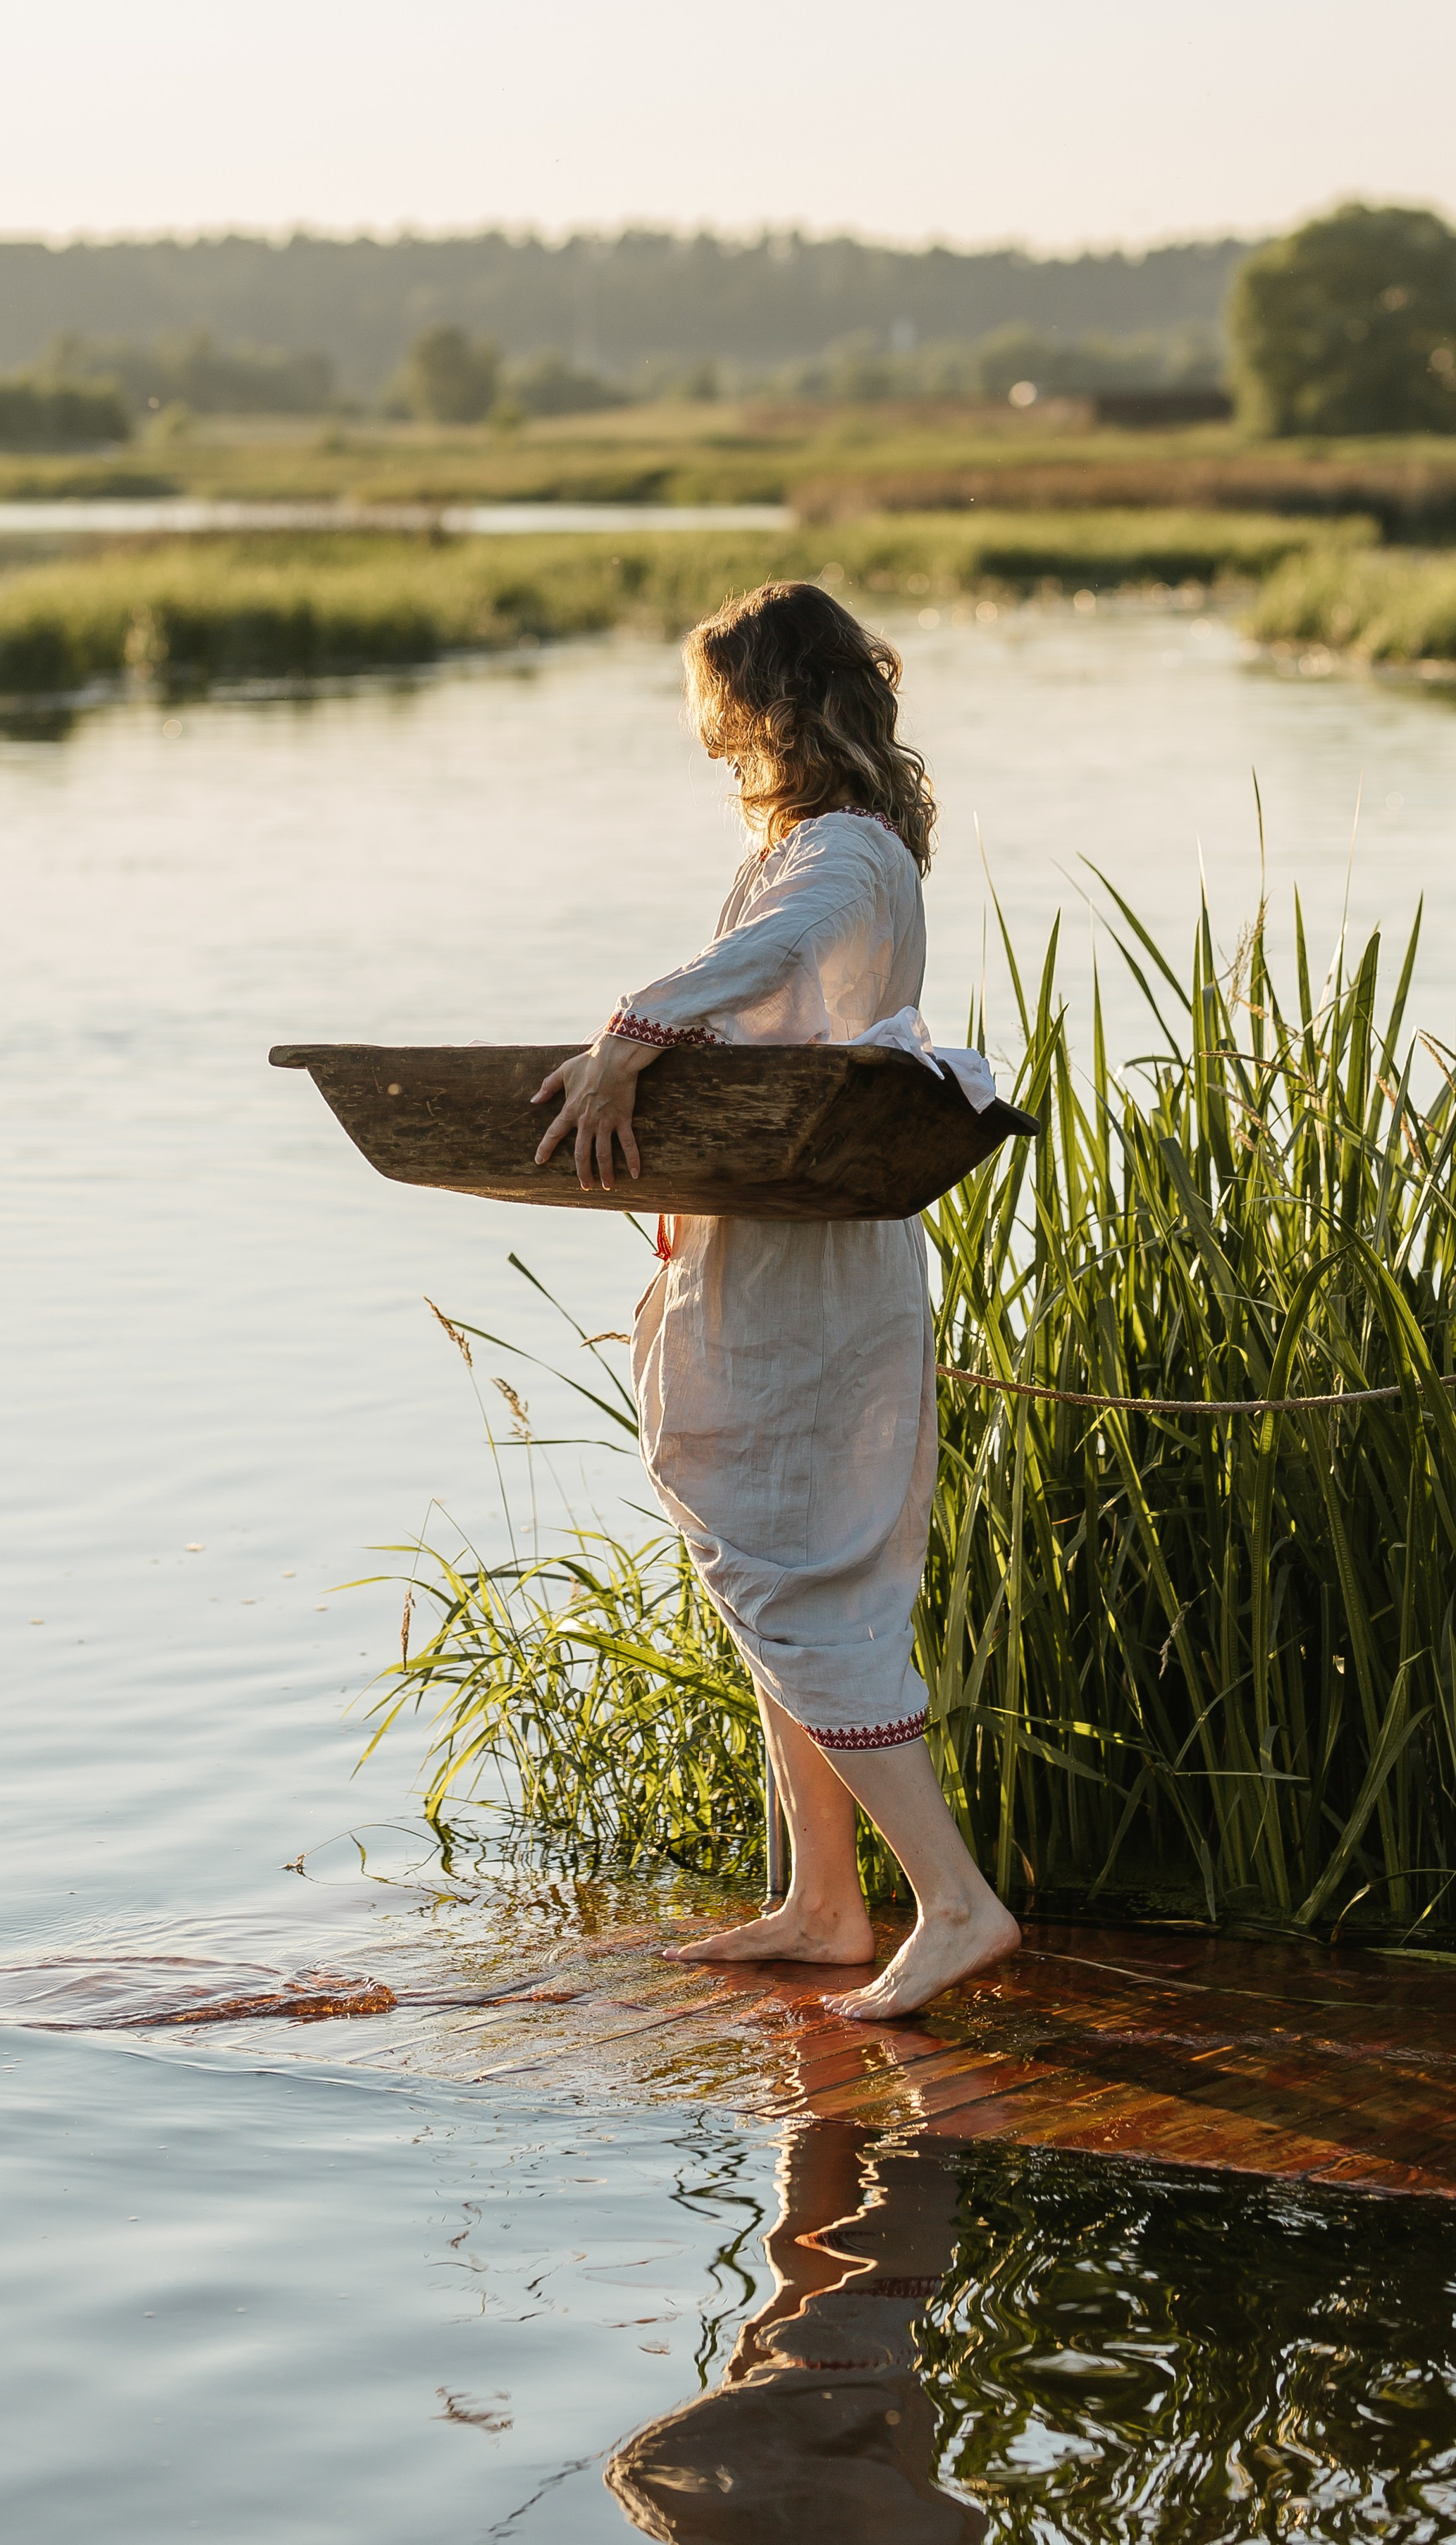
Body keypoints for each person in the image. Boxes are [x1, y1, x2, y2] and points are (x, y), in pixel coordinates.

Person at [531, 580, 1018, 2020]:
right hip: (780, 1252)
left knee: (795, 1575)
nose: (708, 736)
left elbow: (755, 959)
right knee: (769, 1559)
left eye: (723, 705)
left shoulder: (845, 856)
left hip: (813, 1272)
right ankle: (822, 1901)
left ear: (776, 705)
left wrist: (629, 1034)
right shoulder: (825, 845)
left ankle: (955, 1901)